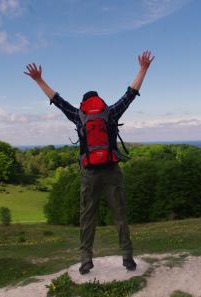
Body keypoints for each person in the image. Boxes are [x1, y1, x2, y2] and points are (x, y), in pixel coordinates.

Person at [24, 50, 154, 274]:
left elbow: (57, 100)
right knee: (119, 216)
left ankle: (86, 260)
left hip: (90, 174)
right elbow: (130, 94)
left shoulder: (78, 115)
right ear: (100, 102)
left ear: (83, 104)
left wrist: (39, 80)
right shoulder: (110, 113)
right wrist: (143, 69)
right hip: (112, 171)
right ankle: (128, 258)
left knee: (87, 217)